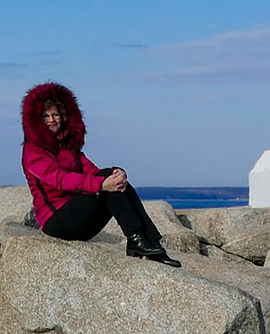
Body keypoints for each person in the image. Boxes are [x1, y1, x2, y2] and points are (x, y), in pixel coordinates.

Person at [19, 81, 179, 266]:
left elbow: (91, 170)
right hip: (57, 222)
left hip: (77, 215)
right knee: (104, 182)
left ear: (63, 116)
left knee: (114, 181)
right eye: (46, 116)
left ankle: (149, 241)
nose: (52, 120)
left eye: (55, 115)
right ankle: (136, 239)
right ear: (37, 121)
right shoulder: (33, 151)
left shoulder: (67, 146)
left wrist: (117, 175)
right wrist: (102, 184)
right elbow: (60, 180)